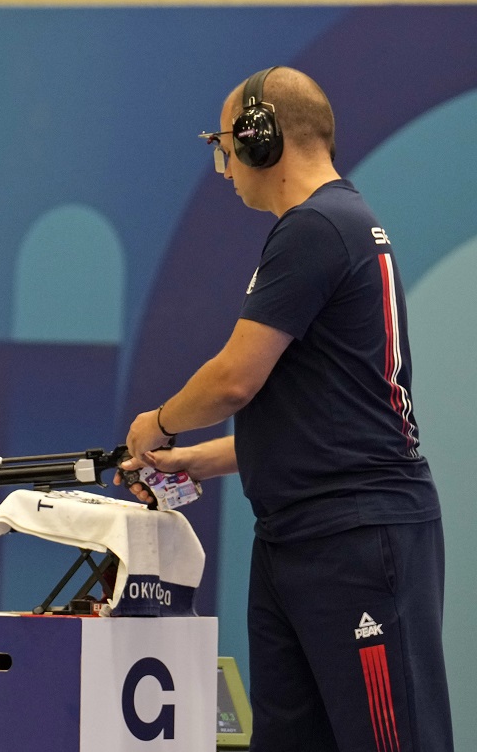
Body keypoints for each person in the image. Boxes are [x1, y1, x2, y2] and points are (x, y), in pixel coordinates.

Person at [121, 66, 452, 751]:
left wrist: (157, 423)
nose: (223, 165)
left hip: (352, 537)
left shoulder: (316, 229)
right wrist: (195, 460)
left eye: (223, 142)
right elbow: (319, 414)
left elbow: (235, 379)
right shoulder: (334, 224)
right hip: (304, 535)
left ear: (260, 136)